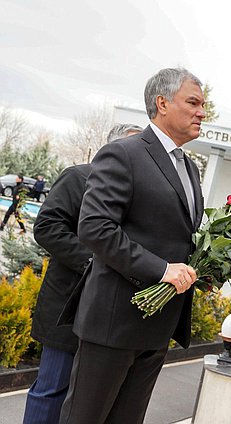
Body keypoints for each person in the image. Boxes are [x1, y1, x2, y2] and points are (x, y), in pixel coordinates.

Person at [58, 68, 205, 424]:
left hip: (158, 324)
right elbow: (94, 228)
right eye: (193, 102)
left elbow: (175, 234)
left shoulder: (190, 168)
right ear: (162, 103)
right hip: (114, 321)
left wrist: (198, 267)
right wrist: (161, 269)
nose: (202, 112)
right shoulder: (123, 153)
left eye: (203, 105)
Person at [22, 123, 142, 424]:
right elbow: (47, 227)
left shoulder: (137, 192)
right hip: (67, 306)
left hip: (108, 315)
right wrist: (96, 262)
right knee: (52, 391)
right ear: (113, 149)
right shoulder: (77, 177)